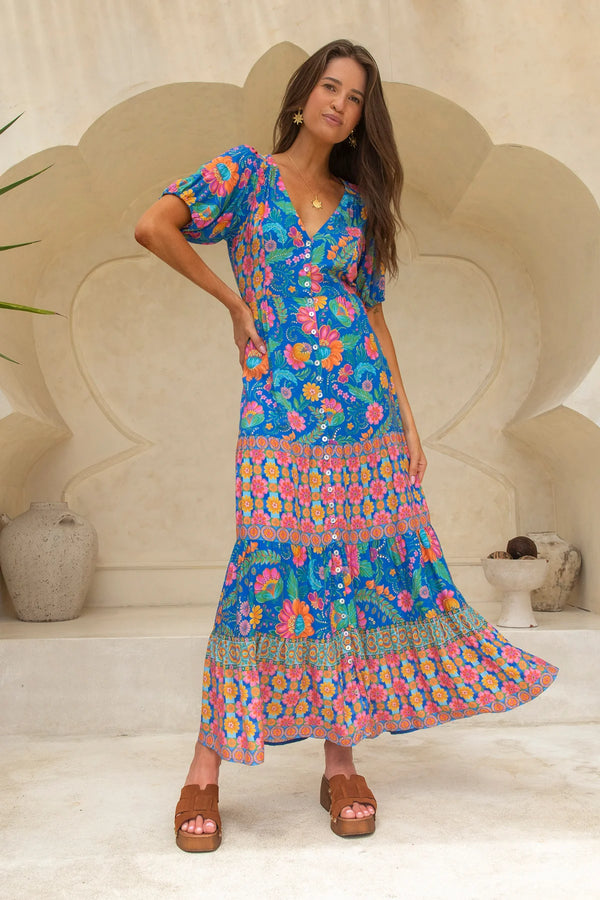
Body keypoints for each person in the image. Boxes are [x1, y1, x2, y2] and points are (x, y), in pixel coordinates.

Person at [135, 39, 559, 852]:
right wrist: (232, 303)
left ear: (362, 118)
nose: (340, 102)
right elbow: (153, 225)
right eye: (330, 87)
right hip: (278, 408)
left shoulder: (359, 206)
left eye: (356, 96)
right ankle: (204, 770)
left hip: (362, 412)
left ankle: (341, 764)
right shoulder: (243, 175)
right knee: (264, 567)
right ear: (302, 98)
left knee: (352, 575)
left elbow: (371, 315)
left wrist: (406, 417)